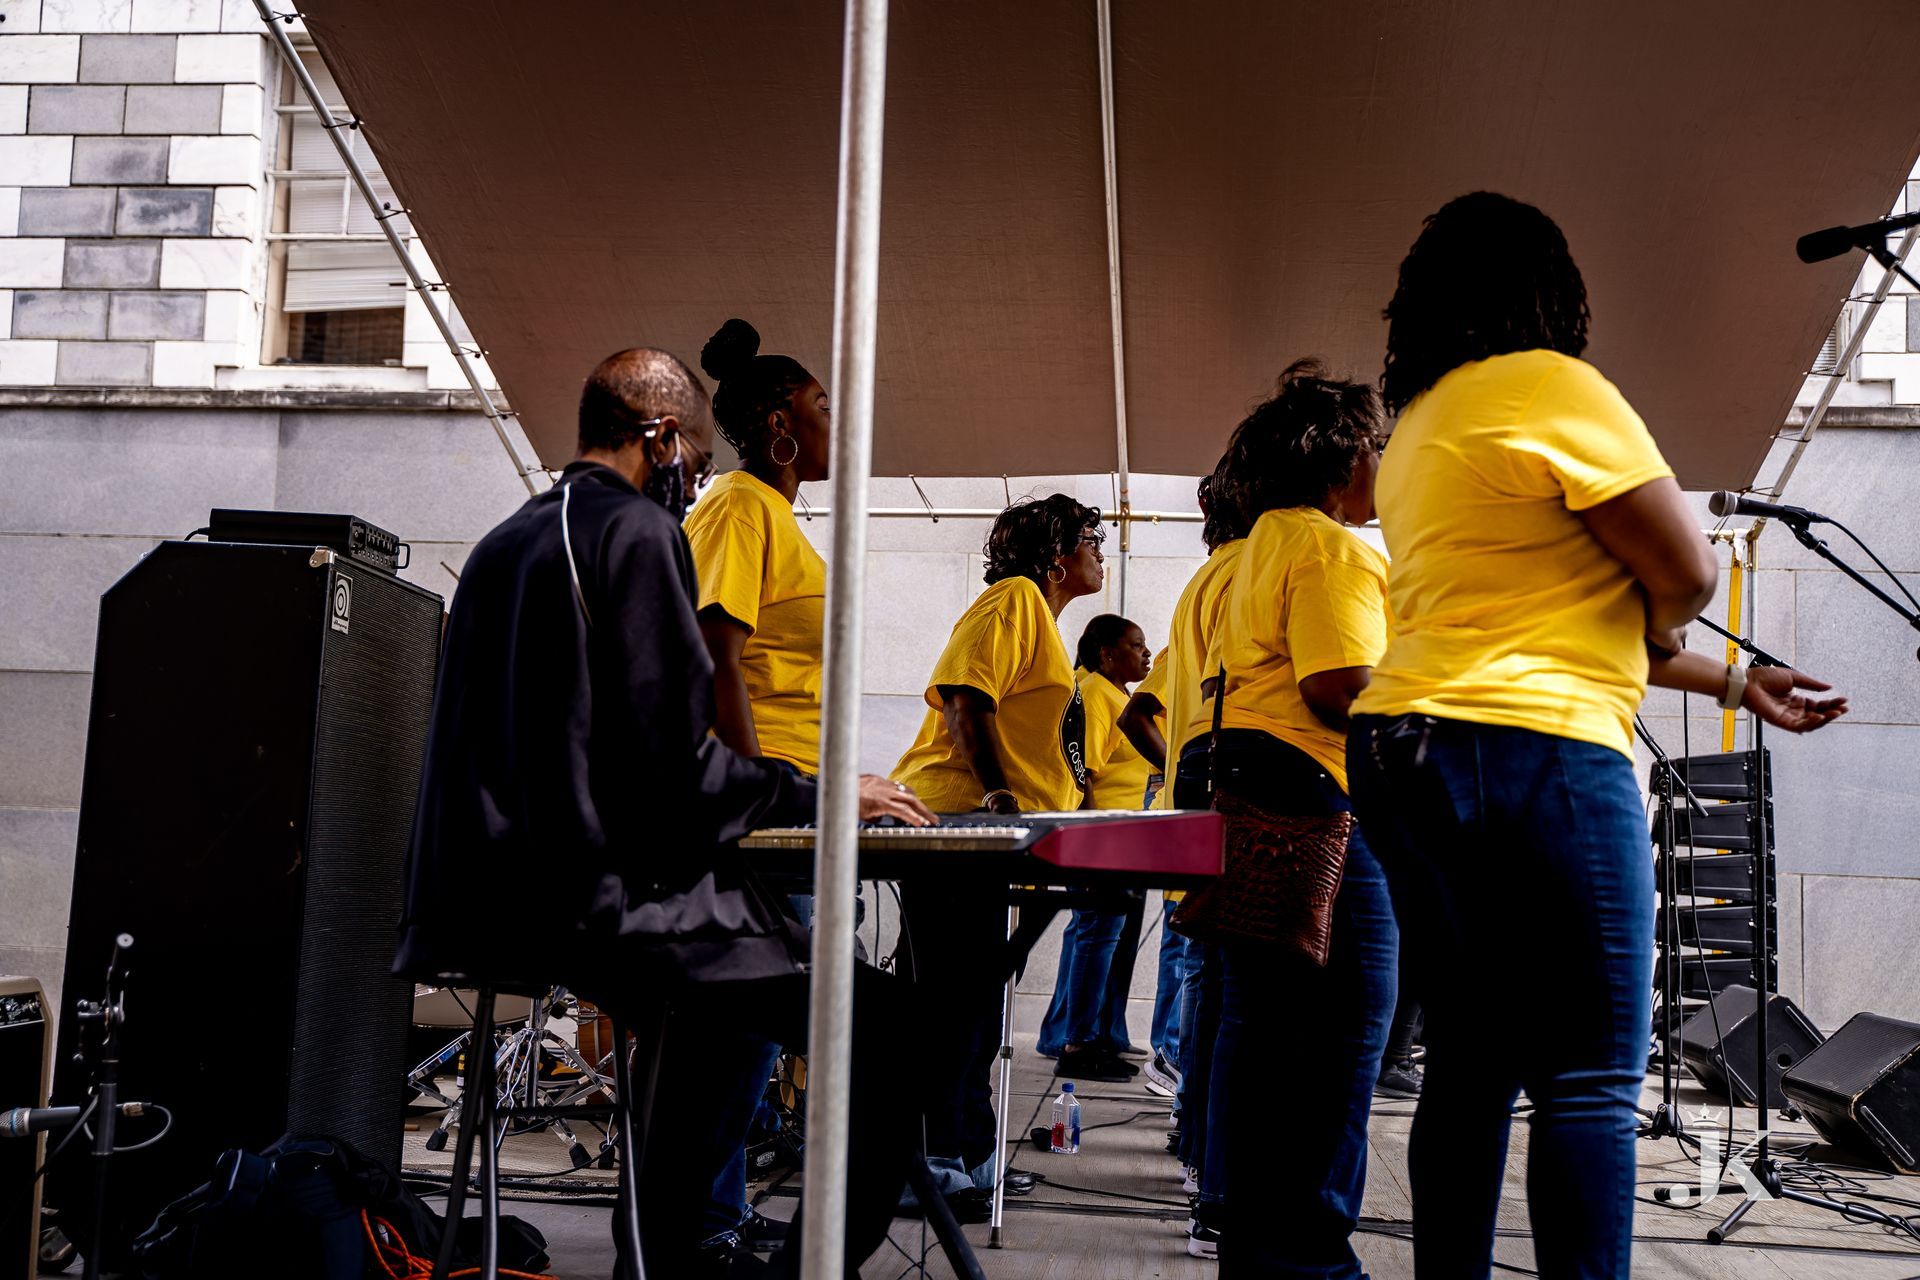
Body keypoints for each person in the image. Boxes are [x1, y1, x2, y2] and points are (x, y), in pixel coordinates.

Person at [1348, 191, 1849, 1280]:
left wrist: (1736, 677)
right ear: (1548, 289)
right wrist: (1672, 600)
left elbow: (1556, 608)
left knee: (1471, 1065)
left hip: (1401, 745)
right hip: (1536, 743)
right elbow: (1688, 569)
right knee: (1587, 1073)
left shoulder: (1421, 432)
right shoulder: (1555, 385)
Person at [398, 346, 938, 1279]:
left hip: (478, 898)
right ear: (660, 437)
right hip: (582, 899)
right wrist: (823, 797)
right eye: (689, 452)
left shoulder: (504, 542)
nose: (697, 476)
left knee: (723, 1002)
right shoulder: (637, 535)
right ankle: (796, 1268)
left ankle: (659, 1252)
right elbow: (674, 771)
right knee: (885, 1021)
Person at [1201, 360, 1398, 1272]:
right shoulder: (1330, 546)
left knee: (1262, 1030)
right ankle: (1313, 1254)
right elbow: (1335, 688)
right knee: (1348, 1025)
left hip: (1248, 797)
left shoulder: (1256, 546)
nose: (1385, 467)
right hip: (1316, 806)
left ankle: (1250, 1237)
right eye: (1378, 449)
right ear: (1340, 455)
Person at [891, 493, 1107, 1213]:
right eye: (1090, 542)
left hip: (989, 835)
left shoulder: (1039, 621)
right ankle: (933, 1157)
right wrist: (997, 797)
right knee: (953, 1001)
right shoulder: (1013, 598)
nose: (1099, 554)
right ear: (1056, 559)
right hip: (954, 822)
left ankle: (972, 1152)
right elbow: (964, 699)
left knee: (979, 1003)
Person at [679, 318, 831, 1266]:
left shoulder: (772, 516)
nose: (834, 425)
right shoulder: (738, 507)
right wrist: (757, 790)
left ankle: (713, 1217)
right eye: (821, 408)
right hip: (757, 802)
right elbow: (712, 655)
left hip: (783, 790)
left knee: (748, 1035)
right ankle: (695, 1228)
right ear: (780, 424)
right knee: (739, 1032)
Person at [1151, 467, 1253, 1227]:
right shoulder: (1251, 571)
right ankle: (1217, 1181)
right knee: (1232, 987)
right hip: (1226, 770)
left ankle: (1198, 1144)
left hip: (1195, 767)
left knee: (1216, 976)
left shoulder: (1201, 580)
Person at [1035, 615, 1156, 1083]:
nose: (1145, 654)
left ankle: (1070, 1032)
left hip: (1120, 831)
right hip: (1102, 832)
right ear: (1106, 653)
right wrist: (1088, 834)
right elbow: (1080, 767)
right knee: (1096, 934)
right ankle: (1078, 1043)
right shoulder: (1093, 693)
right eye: (1136, 645)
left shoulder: (1112, 692)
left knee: (1094, 934)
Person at [1118, 654, 1185, 1097]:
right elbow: (1135, 715)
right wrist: (1182, 775)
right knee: (1184, 938)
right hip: (1179, 798)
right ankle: (1169, 1054)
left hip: (1185, 797)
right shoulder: (1182, 651)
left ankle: (1173, 1053)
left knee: (1190, 941)